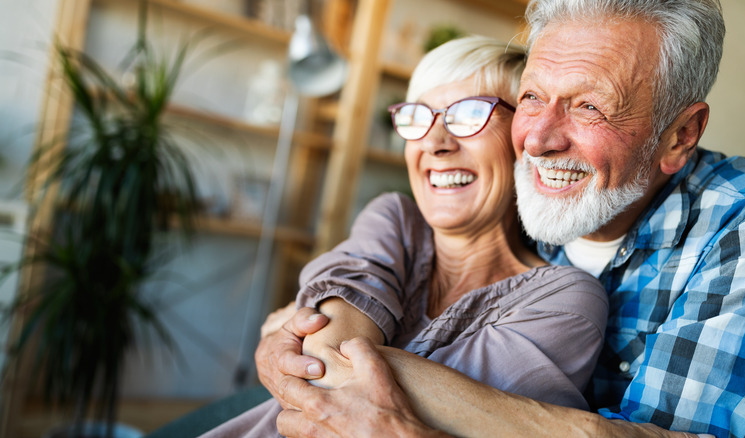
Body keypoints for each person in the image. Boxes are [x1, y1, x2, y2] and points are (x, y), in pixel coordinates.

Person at [257, 0, 745, 437]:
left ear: (680, 135)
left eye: (589, 106)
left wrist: (326, 354)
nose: (537, 139)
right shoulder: (521, 208)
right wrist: (296, 333)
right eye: (532, 96)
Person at [199, 36, 608, 437]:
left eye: (468, 115)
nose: (435, 142)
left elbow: (328, 365)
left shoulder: (566, 300)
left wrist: (299, 331)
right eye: (419, 117)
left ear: (523, 138)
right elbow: (328, 367)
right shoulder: (395, 219)